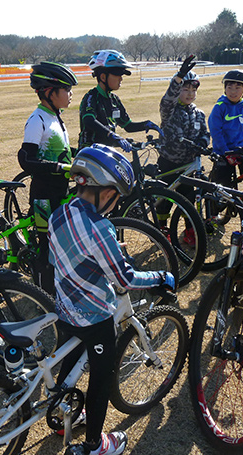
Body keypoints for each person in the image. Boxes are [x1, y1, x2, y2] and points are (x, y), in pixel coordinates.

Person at [49, 144, 175, 455]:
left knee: (69, 358)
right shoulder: (100, 227)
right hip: (94, 316)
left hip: (65, 307)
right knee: (101, 379)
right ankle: (94, 445)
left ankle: (59, 411)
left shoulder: (60, 212)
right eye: (116, 196)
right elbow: (124, 279)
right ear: (106, 193)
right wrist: (159, 278)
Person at [17, 62, 78, 293]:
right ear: (51, 93)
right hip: (43, 195)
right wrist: (58, 167)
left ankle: (59, 288)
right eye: (67, 90)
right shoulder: (38, 119)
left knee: (60, 244)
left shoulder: (55, 116)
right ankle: (44, 297)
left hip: (59, 191)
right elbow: (26, 159)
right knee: (46, 248)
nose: (71, 94)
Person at [156, 55, 210, 246]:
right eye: (185, 89)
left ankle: (190, 230)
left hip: (188, 165)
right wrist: (178, 78)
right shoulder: (169, 110)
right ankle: (161, 229)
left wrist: (203, 143)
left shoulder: (199, 113)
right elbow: (167, 100)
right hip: (168, 162)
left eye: (192, 89)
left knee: (189, 199)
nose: (189, 93)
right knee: (164, 199)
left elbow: (205, 133)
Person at [78, 49, 158, 152]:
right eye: (118, 75)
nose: (121, 79)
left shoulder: (114, 100)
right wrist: (112, 134)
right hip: (90, 153)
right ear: (103, 77)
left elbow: (128, 126)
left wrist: (146, 124)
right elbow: (89, 120)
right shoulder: (91, 97)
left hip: (106, 153)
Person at [208, 70, 243, 187]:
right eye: (229, 87)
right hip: (223, 152)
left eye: (238, 88)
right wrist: (226, 152)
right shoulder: (219, 107)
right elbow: (216, 132)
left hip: (240, 151)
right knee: (224, 187)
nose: (233, 91)